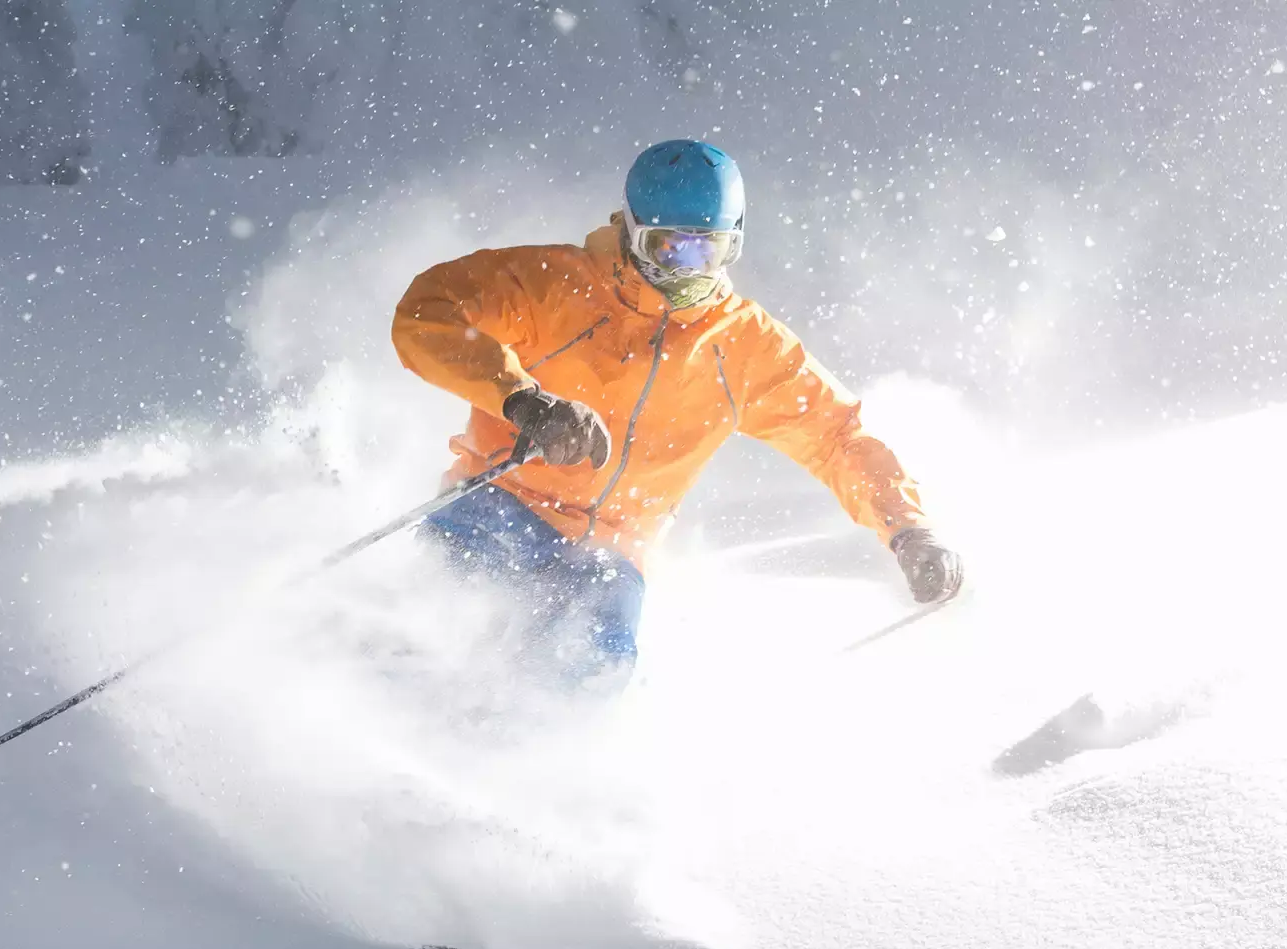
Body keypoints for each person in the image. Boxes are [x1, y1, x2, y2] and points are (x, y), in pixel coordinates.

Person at [391, 139, 962, 693]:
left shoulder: (742, 346)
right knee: (446, 619)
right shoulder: (554, 287)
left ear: (732, 244)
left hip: (611, 550)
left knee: (589, 665)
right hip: (503, 497)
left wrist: (909, 529)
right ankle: (377, 712)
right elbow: (429, 312)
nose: (686, 269)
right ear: (632, 231)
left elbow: (836, 437)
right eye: (667, 247)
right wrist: (522, 400)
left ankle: (514, 768)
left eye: (705, 250)